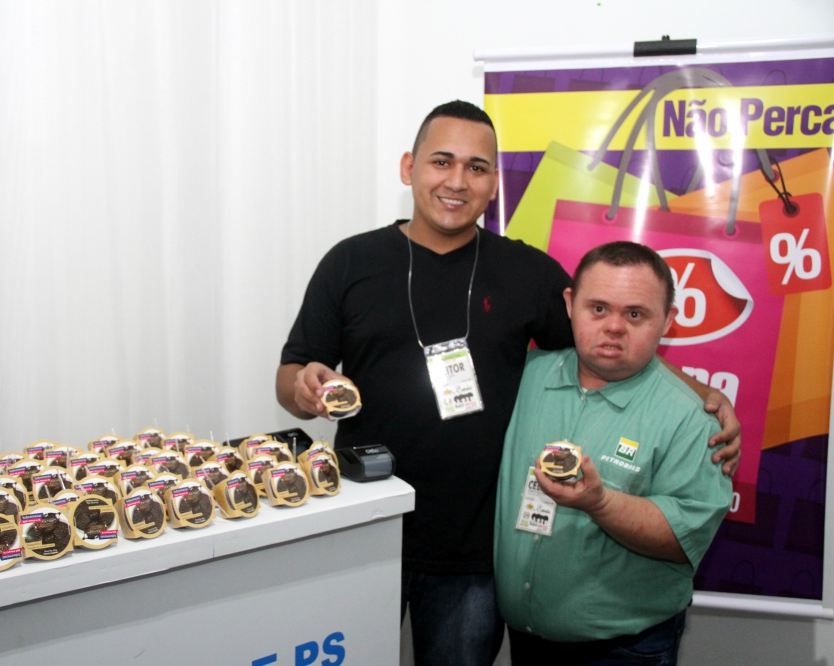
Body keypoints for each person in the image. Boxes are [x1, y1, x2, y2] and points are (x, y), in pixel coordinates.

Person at [276, 101, 739, 666]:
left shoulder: (528, 272)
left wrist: (703, 395)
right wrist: (303, 389)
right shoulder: (350, 263)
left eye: (476, 167)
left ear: (494, 183)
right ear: (408, 167)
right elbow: (291, 375)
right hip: (363, 532)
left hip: (474, 557)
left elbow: (614, 340)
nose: (457, 181)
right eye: (441, 161)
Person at [494, 241, 732, 665]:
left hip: (625, 650)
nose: (614, 327)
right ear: (571, 304)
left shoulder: (694, 420)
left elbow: (684, 537)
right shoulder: (523, 376)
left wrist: (599, 503)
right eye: (599, 308)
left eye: (635, 314)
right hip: (524, 640)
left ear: (668, 321)